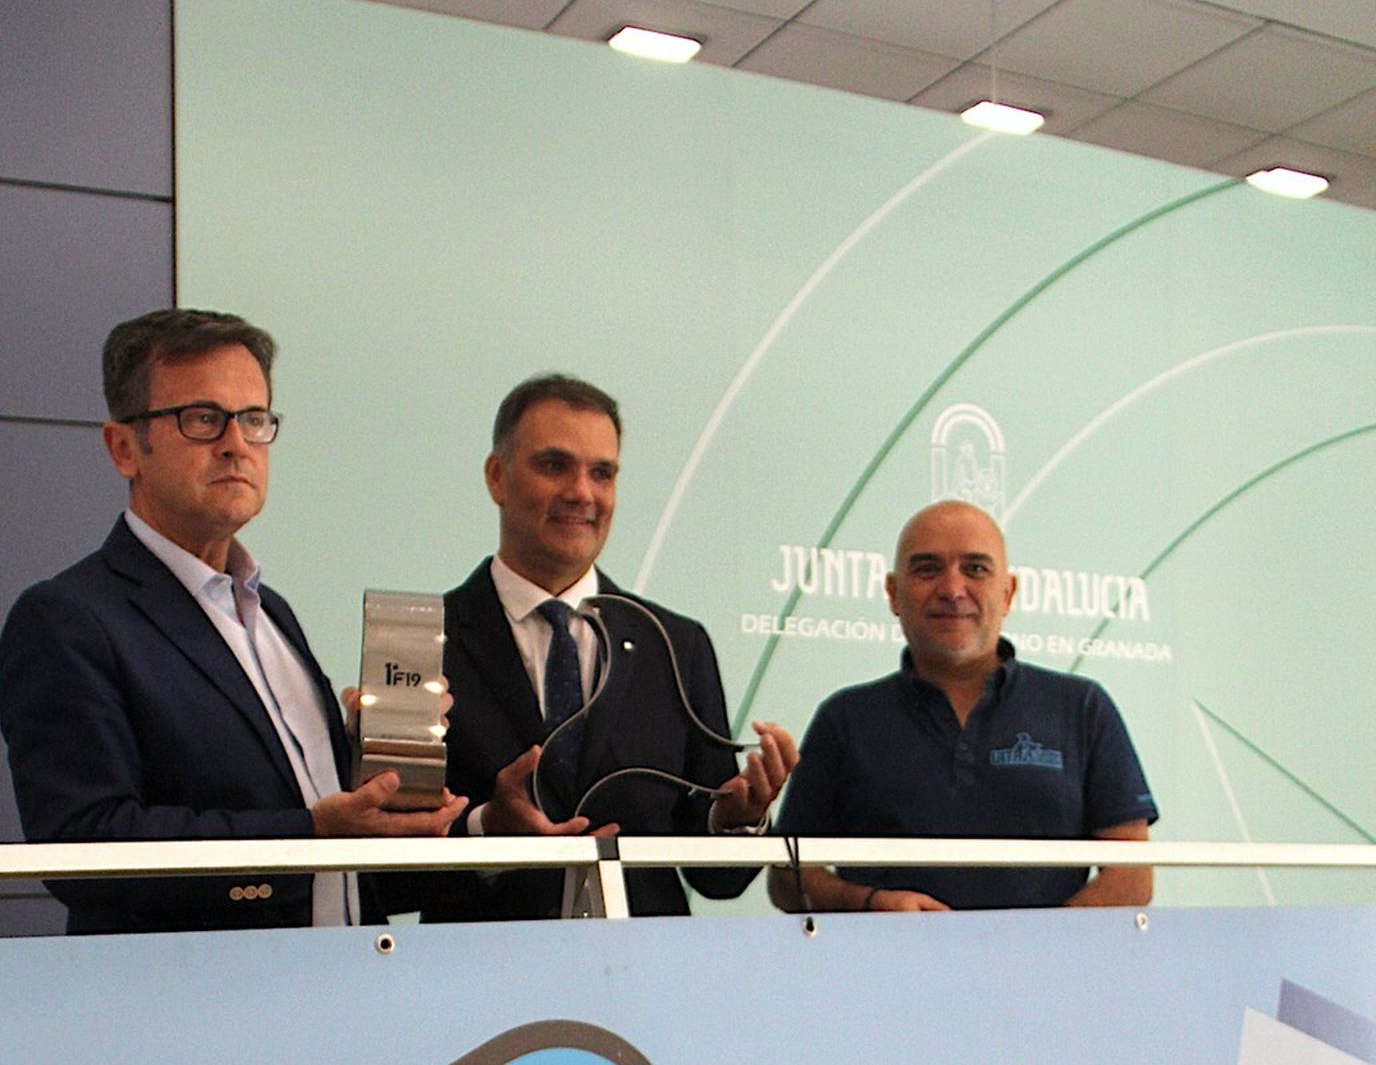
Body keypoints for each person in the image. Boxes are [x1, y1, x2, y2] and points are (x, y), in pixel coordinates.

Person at [0, 307, 463, 934]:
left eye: (253, 419)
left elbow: (325, 834)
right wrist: (311, 832)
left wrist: (383, 763)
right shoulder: (68, 620)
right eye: (203, 419)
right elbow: (86, 847)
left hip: (348, 985)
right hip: (192, 1007)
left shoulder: (272, 613)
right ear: (124, 448)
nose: (236, 443)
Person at [420, 373, 796, 922]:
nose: (582, 493)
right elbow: (389, 869)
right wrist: (484, 829)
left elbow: (719, 878)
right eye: (554, 466)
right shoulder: (428, 641)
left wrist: (736, 819)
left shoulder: (676, 644)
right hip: (475, 980)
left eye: (603, 473)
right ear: (498, 477)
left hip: (638, 985)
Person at [771, 501, 1156, 914]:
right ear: (892, 593)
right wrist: (871, 904)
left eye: (975, 569)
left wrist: (1039, 948)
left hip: (1047, 975)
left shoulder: (1082, 708)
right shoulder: (845, 719)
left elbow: (1131, 876)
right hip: (886, 973)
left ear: (1008, 593)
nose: (952, 590)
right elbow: (789, 880)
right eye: (927, 569)